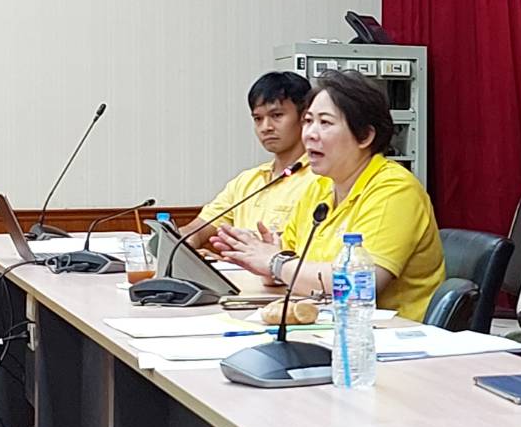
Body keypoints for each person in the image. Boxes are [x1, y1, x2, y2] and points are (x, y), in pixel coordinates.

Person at [214, 70, 446, 320]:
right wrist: (266, 261)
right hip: (325, 325)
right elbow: (288, 268)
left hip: (390, 334)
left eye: (325, 123)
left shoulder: (394, 189)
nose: (309, 134)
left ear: (365, 136)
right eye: (308, 121)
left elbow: (357, 286)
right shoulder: (319, 187)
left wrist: (276, 263)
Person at [185, 71, 314, 248]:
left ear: (305, 117)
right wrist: (184, 242)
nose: (266, 127)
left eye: (276, 115)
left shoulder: (322, 180)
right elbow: (197, 228)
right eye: (258, 119)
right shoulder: (246, 181)